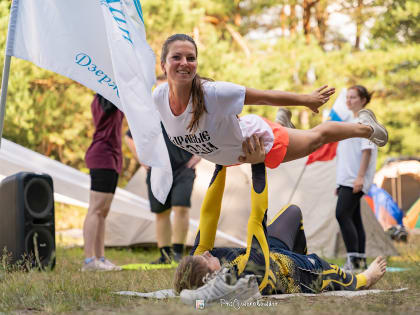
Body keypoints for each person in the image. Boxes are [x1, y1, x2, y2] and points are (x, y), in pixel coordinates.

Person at [153, 33, 388, 173]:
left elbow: (264, 95)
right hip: (232, 156)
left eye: (191, 58)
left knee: (316, 139)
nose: (184, 63)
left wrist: (307, 100)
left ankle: (367, 128)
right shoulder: (158, 98)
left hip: (260, 141)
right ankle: (283, 124)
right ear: (163, 64)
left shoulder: (212, 93)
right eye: (176, 57)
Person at [174, 150, 387, 303]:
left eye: (201, 255)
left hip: (272, 254)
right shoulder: (249, 276)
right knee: (338, 275)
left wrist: (220, 164)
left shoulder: (210, 260)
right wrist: (258, 163)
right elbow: (257, 218)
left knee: (292, 211)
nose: (206, 254)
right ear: (211, 279)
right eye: (204, 260)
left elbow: (209, 213)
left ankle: (299, 253)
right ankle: (364, 278)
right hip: (299, 272)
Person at [125, 126, 201, 264]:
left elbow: (205, 130)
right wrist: (140, 158)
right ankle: (165, 256)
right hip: (157, 170)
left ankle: (178, 254)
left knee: (181, 207)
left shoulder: (184, 109)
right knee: (161, 212)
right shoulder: (148, 112)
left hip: (184, 168)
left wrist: (199, 154)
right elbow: (129, 137)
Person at [335, 85, 378, 272]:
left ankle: (353, 261)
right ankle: (360, 262)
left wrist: (360, 177)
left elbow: (367, 150)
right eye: (348, 97)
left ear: (363, 100)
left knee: (342, 214)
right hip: (346, 178)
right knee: (354, 217)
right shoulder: (348, 121)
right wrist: (339, 181)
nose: (349, 100)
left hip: (355, 178)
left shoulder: (365, 121)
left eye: (353, 97)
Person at [82, 94, 124, 271]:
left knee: (103, 212)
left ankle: (100, 258)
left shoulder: (111, 98)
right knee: (95, 209)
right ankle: (89, 260)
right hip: (102, 156)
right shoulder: (104, 98)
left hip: (113, 158)